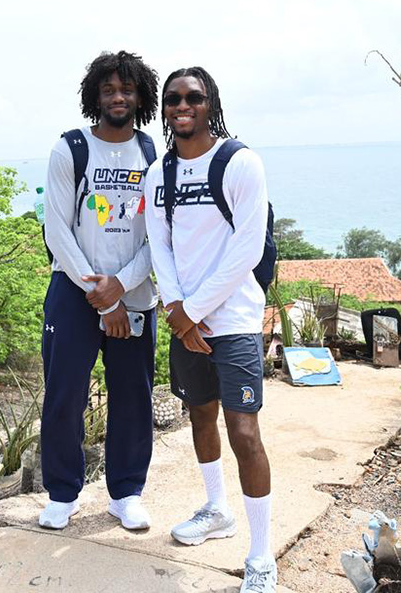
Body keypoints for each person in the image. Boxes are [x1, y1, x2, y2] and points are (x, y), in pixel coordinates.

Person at [144, 67, 276, 592]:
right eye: (173, 98)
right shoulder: (162, 173)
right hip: (185, 321)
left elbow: (247, 247)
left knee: (244, 432)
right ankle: (216, 510)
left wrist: (191, 311)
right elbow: (161, 245)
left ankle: (261, 556)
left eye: (193, 98)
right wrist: (177, 308)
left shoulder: (241, 162)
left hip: (235, 319)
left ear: (209, 102)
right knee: (200, 416)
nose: (182, 106)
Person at [39, 51, 159, 531]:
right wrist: (100, 292)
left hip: (134, 291)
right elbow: (56, 231)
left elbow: (161, 238)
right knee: (65, 394)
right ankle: (62, 494)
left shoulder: (154, 156)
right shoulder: (70, 149)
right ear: (95, 96)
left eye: (126, 89)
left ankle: (126, 492)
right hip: (73, 289)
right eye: (109, 89)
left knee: (133, 394)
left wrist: (123, 286)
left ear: (141, 96)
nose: (118, 97)